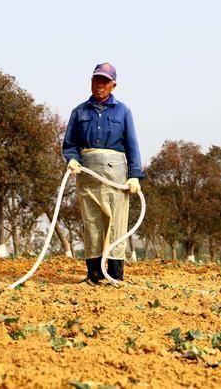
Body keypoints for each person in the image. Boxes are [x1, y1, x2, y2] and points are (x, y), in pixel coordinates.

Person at [62, 63, 144, 283]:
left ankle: (115, 275)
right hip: (88, 173)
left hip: (116, 174)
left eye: (105, 81)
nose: (100, 85)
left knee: (117, 223)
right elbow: (70, 144)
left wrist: (134, 174)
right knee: (92, 224)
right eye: (96, 80)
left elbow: (132, 145)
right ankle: (94, 274)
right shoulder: (79, 112)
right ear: (90, 82)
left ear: (113, 85)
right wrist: (72, 160)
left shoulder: (123, 111)